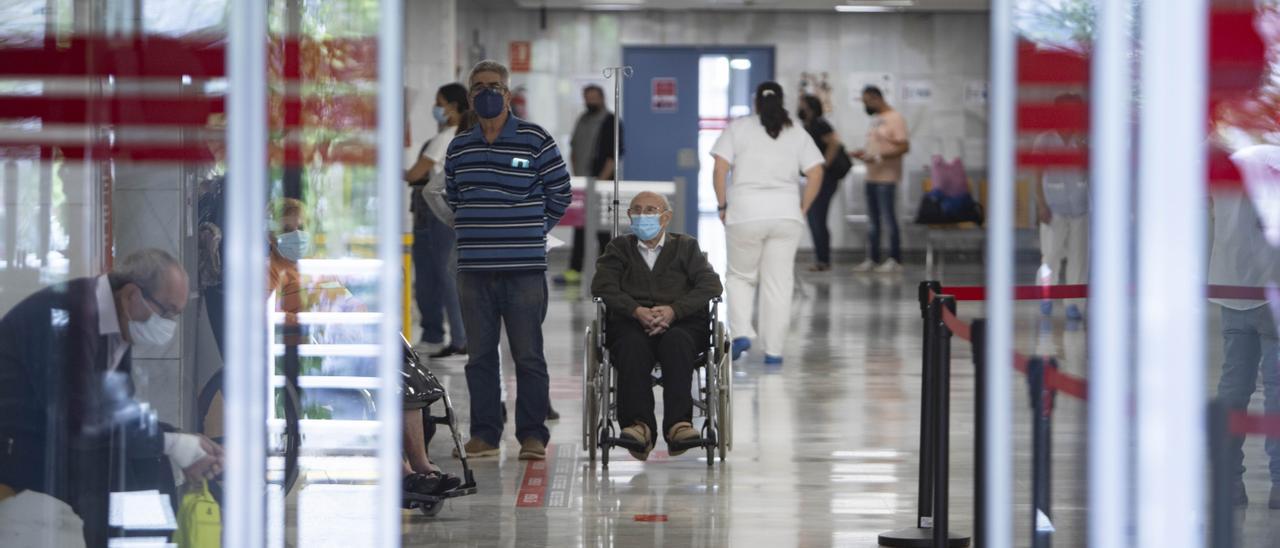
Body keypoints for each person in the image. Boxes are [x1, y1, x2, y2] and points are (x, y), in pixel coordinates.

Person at [0, 248, 223, 547]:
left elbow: (120, 408)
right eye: (167, 311)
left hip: (56, 432)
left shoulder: (116, 320)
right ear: (132, 294)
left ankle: (150, 542)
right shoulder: (72, 316)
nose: (169, 323)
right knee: (110, 474)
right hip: (17, 440)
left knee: (148, 462)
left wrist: (178, 441)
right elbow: (81, 421)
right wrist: (170, 443)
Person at [444, 60, 572, 461]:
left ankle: (532, 435)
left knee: (528, 355)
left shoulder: (535, 139)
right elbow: (452, 197)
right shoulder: (459, 146)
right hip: (474, 271)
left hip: (524, 270)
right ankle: (485, 433)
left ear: (507, 92)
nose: (487, 92)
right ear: (469, 95)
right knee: (479, 356)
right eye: (479, 86)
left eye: (495, 86)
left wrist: (533, 230)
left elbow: (561, 192)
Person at [591, 192, 723, 461]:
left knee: (677, 343)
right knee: (631, 345)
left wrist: (674, 311)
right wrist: (635, 310)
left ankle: (679, 425)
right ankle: (639, 426)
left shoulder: (686, 247)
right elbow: (602, 286)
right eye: (637, 210)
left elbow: (711, 285)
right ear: (628, 216)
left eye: (651, 210)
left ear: (666, 217)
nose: (643, 215)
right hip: (631, 324)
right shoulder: (618, 248)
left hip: (681, 324)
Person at [712, 81, 824, 365]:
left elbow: (720, 168)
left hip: (745, 213)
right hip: (786, 214)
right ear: (782, 100)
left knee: (741, 276)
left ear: (755, 102)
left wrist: (722, 204)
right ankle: (774, 352)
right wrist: (802, 207)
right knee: (778, 283)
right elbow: (816, 172)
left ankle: (741, 335)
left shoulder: (738, 128)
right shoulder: (796, 131)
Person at [1210, 144, 1280, 509]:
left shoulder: (1216, 151)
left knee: (1234, 386)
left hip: (1230, 284)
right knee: (1277, 390)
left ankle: (1228, 479)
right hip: (1271, 287)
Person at [405, 82, 471, 358]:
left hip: (438, 212)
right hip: (438, 212)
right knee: (440, 276)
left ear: (454, 107)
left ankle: (457, 338)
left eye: (439, 103)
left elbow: (416, 174)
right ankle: (452, 336)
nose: (436, 109)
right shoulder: (454, 135)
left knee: (443, 277)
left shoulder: (447, 137)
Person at [558, 84, 624, 285]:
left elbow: (613, 156)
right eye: (587, 97)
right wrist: (579, 179)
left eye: (594, 97)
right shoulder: (582, 120)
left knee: (603, 229)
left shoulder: (611, 121)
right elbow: (574, 148)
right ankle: (575, 270)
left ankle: (609, 272)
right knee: (580, 226)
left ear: (602, 98)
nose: (591, 101)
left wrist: (600, 183)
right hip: (583, 183)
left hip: (602, 184)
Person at [1034, 93, 1089, 321]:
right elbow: (1036, 175)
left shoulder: (1085, 140)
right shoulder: (1045, 140)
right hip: (1053, 207)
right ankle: (1046, 295)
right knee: (1051, 256)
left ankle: (1074, 305)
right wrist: (1041, 205)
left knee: (1079, 259)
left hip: (1081, 207)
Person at [851, 85, 910, 273]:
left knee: (888, 219)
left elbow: (903, 147)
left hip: (887, 178)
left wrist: (881, 157)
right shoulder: (877, 120)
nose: (866, 106)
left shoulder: (895, 118)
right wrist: (865, 154)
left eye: (867, 101)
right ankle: (873, 259)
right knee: (873, 221)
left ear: (876, 98)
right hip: (871, 176)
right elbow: (877, 146)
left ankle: (895, 259)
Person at [798, 94, 851, 271]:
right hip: (816, 177)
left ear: (810, 108)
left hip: (825, 179)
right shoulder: (808, 125)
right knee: (814, 218)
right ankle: (821, 259)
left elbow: (834, 143)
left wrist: (823, 166)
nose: (800, 108)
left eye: (803, 105)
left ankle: (823, 260)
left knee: (817, 217)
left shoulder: (820, 124)